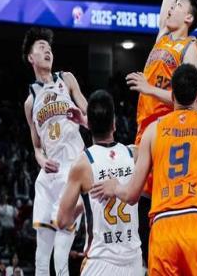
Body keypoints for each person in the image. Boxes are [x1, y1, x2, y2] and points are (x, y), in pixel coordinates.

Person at [92, 64, 197, 275]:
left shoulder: (152, 131)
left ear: (172, 96)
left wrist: (115, 186)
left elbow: (132, 195)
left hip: (163, 229)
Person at [126, 0, 197, 261]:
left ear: (188, 17)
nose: (170, 7)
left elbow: (188, 98)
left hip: (168, 131)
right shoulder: (162, 35)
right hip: (144, 127)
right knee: (138, 207)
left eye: (177, 6)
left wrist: (148, 88)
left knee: (153, 208)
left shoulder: (191, 47)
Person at [22, 27, 88, 276]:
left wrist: (83, 118)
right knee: (42, 255)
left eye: (49, 48)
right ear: (31, 57)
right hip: (49, 176)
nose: (47, 50)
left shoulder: (66, 79)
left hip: (73, 171)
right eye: (41, 47)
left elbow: (92, 118)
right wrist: (41, 161)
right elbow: (37, 147)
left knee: (61, 255)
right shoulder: (30, 102)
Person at [57, 90, 142, 275]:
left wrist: (84, 205)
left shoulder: (82, 164)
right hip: (133, 262)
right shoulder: (135, 154)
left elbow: (62, 221)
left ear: (90, 126)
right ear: (114, 123)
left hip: (100, 262)